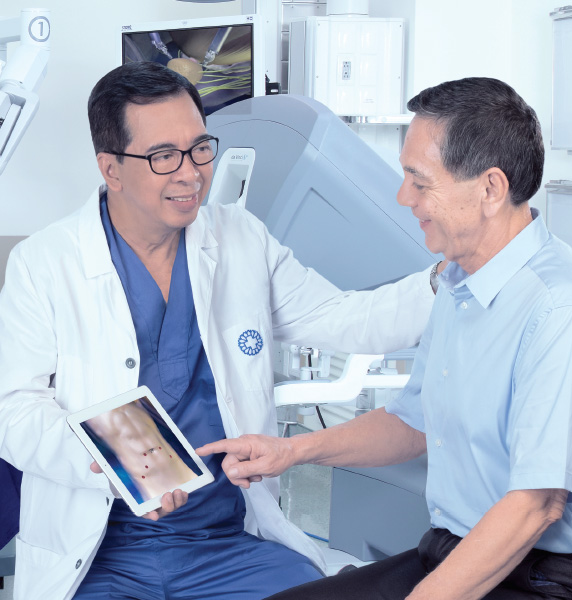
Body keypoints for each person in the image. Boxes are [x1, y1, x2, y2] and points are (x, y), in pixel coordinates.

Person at [0, 61, 437, 600]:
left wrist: (449, 276)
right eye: (164, 157)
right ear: (111, 168)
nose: (191, 173)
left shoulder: (240, 238)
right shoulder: (44, 263)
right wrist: (117, 461)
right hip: (97, 551)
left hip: (223, 545)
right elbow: (14, 408)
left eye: (200, 148)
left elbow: (348, 319)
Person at [198, 77, 572, 600]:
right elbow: (413, 424)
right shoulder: (457, 282)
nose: (403, 196)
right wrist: (290, 451)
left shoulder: (559, 306)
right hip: (447, 548)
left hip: (542, 576)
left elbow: (536, 504)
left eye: (419, 180)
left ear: (491, 189)